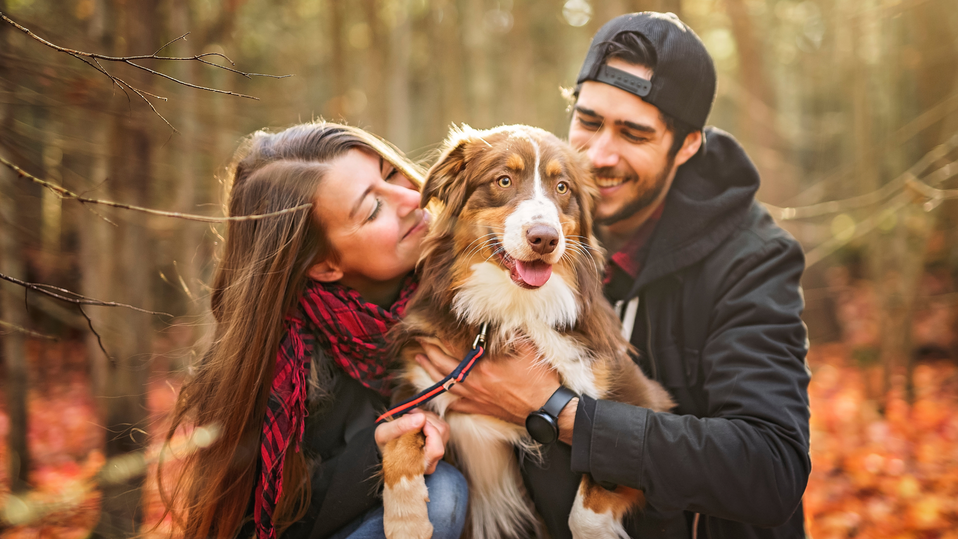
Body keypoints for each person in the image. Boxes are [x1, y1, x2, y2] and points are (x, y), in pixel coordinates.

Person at [415, 12, 811, 538]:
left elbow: (770, 467)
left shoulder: (753, 260)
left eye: (634, 133)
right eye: (589, 120)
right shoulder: (534, 224)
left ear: (687, 144)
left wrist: (554, 409)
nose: (598, 155)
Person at [156, 123, 468, 539]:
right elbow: (264, 522)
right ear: (324, 266)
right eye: (372, 209)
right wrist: (378, 450)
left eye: (391, 173)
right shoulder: (277, 366)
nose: (413, 197)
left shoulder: (479, 274)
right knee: (441, 493)